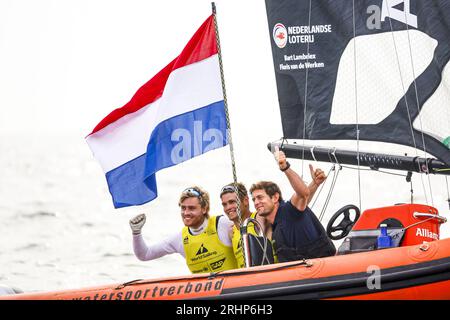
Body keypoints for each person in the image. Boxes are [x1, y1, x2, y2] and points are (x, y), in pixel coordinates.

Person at [249, 147, 336, 263]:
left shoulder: (289, 210)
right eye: (253, 199)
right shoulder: (276, 230)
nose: (256, 202)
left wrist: (285, 167)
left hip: (322, 270)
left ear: (275, 197)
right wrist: (315, 184)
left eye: (260, 197)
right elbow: (304, 195)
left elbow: (303, 194)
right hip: (299, 276)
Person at [129, 186, 238, 274]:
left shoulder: (222, 224)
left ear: (204, 209)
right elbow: (145, 254)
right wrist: (136, 232)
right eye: (183, 208)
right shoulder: (179, 239)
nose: (186, 213)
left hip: (236, 291)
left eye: (191, 208)